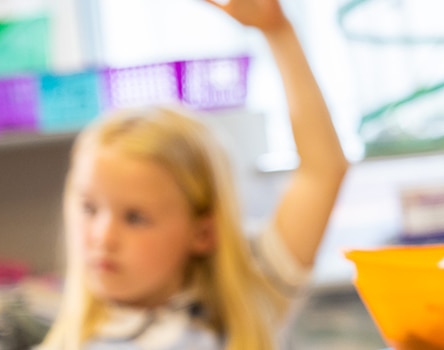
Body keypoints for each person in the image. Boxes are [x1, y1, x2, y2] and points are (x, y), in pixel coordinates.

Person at [39, 0, 348, 348]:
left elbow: (322, 171)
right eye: (89, 208)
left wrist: (278, 33)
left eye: (136, 217)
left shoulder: (247, 296)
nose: (102, 237)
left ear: (203, 231)